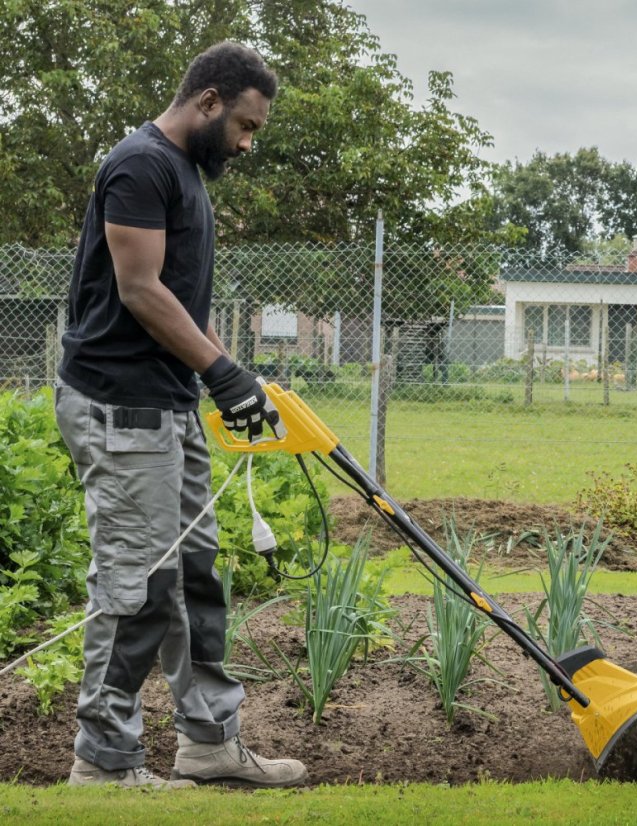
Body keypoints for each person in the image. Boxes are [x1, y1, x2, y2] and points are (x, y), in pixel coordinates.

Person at [55, 42, 308, 789]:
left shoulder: (184, 175)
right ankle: (102, 766)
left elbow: (183, 307)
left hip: (167, 406)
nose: (248, 142)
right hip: (119, 405)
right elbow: (139, 289)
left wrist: (236, 380)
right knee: (134, 586)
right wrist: (221, 374)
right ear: (208, 101)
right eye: (245, 125)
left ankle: (208, 742)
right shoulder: (139, 165)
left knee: (194, 575)